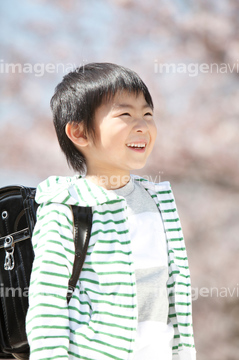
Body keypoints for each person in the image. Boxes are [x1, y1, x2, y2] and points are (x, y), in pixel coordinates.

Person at [26, 62, 196, 360]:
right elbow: (46, 303)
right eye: (125, 115)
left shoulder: (158, 201)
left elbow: (172, 296)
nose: (142, 125)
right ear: (79, 133)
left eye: (147, 114)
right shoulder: (67, 206)